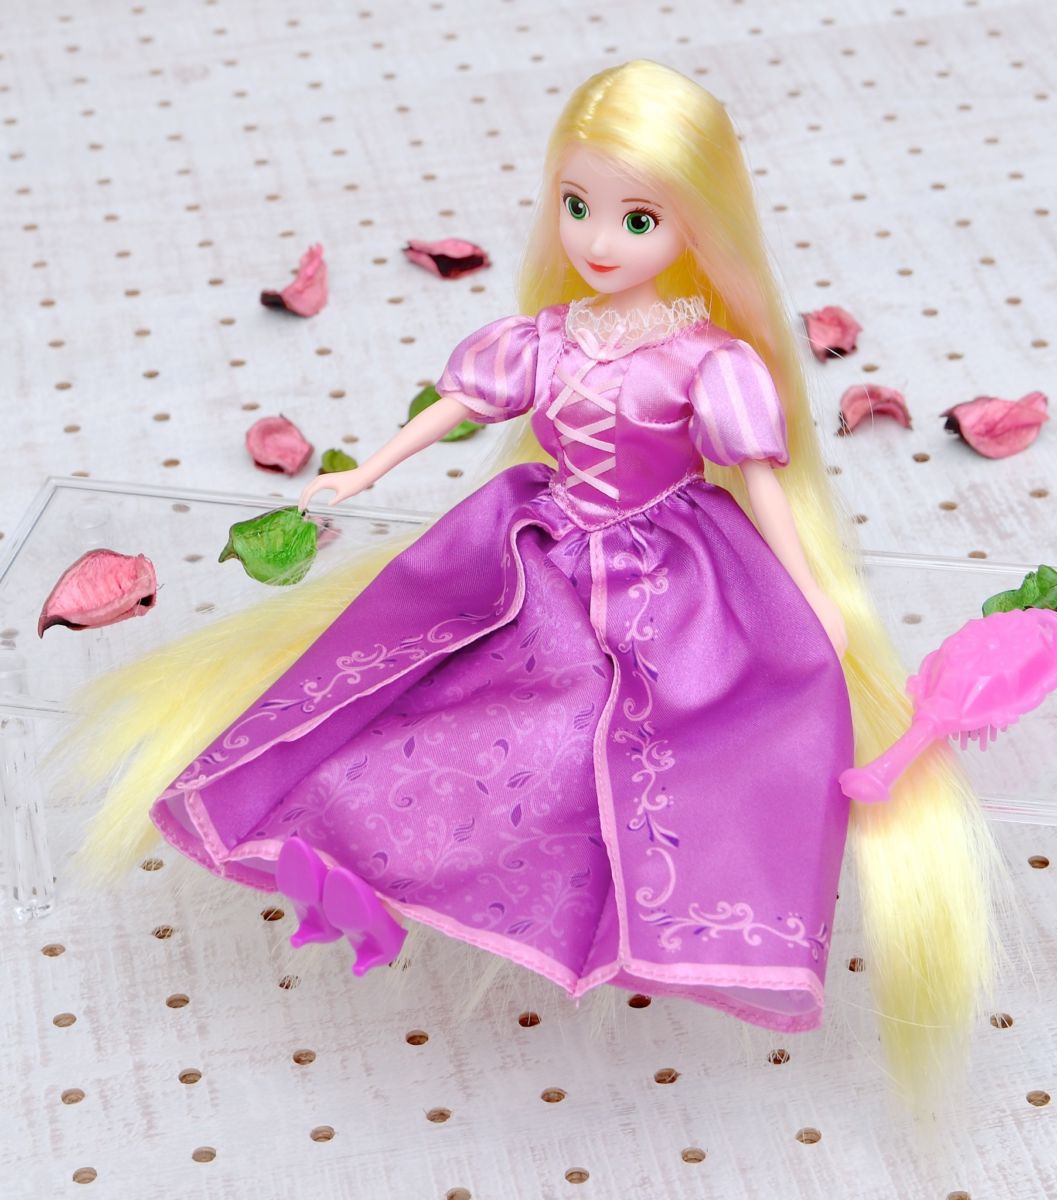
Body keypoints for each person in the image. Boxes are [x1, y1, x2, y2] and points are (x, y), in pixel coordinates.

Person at [48, 59, 1001, 1102]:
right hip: (531, 548)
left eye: (638, 219)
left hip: (665, 569)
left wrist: (814, 594)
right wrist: (367, 471)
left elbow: (765, 486)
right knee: (423, 707)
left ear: (697, 224)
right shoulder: (545, 340)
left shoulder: (709, 362)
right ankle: (365, 871)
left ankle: (600, 911)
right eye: (578, 206)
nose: (598, 240)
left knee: (603, 737)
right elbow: (462, 407)